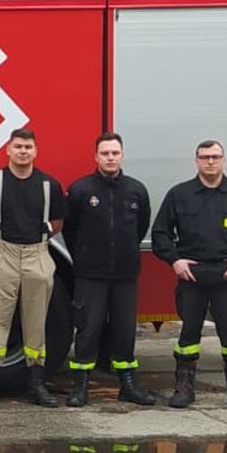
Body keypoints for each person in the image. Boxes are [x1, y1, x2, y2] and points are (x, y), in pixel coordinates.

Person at [152, 140, 227, 410]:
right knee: (189, 334)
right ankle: (184, 388)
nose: (210, 161)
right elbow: (160, 234)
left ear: (224, 160)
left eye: (215, 156)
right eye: (205, 157)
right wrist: (174, 261)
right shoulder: (179, 195)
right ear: (196, 161)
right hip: (192, 277)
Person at [62, 132, 157, 407]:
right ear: (96, 157)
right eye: (105, 153)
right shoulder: (81, 190)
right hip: (90, 275)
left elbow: (141, 227)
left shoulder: (136, 190)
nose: (110, 158)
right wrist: (84, 257)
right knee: (88, 330)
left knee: (124, 331)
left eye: (115, 153)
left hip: (125, 275)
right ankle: (80, 387)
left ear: (122, 155)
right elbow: (70, 230)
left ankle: (128, 385)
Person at [0, 129, 65, 409]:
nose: (23, 151)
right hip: (3, 252)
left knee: (36, 321)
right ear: (8, 150)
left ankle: (36, 384)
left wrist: (37, 239)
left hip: (38, 253)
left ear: (35, 151)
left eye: (28, 147)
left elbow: (58, 221)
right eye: (18, 146)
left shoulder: (50, 184)